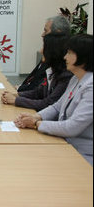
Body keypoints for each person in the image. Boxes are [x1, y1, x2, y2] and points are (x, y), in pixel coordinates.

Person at [15, 34, 93, 165]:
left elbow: (73, 127)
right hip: (65, 144)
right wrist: (36, 116)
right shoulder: (76, 78)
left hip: (83, 155)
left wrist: (36, 124)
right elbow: (57, 106)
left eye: (69, 53)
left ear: (83, 57)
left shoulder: (90, 87)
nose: (65, 57)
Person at [1, 33, 73, 111]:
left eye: (44, 47)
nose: (40, 51)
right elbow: (38, 92)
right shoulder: (51, 70)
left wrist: (16, 100)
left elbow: (48, 103)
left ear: (54, 52)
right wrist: (16, 95)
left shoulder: (65, 76)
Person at [17, 15, 71, 92]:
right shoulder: (49, 52)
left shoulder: (59, 60)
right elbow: (33, 79)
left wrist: (19, 92)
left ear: (58, 33)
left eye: (46, 31)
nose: (42, 35)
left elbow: (41, 93)